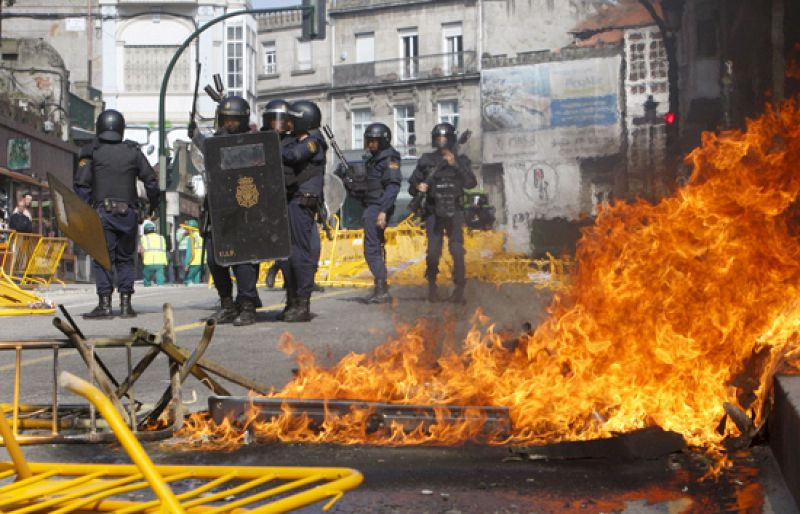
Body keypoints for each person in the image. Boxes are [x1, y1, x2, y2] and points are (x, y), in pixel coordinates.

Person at [74, 109, 159, 319]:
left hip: (103, 213)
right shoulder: (133, 151)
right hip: (128, 213)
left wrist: (86, 212)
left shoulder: (91, 151)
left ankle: (104, 304)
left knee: (103, 258)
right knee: (125, 260)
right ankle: (125, 305)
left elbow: (81, 186)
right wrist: (153, 205)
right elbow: (151, 181)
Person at [203, 95, 261, 326]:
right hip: (218, 210)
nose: (229, 124)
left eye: (234, 120)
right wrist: (196, 138)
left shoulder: (253, 142)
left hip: (245, 210)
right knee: (214, 260)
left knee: (244, 261)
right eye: (226, 119)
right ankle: (227, 303)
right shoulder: (213, 142)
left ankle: (246, 305)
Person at [408, 122, 477, 304]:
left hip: (455, 211)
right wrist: (418, 186)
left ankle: (459, 289)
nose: (441, 141)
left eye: (444, 138)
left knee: (457, 250)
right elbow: (412, 186)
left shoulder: (461, 161)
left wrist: (455, 164)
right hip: (433, 212)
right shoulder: (426, 160)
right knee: (432, 252)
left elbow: (471, 183)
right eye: (438, 138)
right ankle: (432, 287)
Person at [337, 123, 402, 303]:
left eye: (375, 141)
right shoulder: (375, 159)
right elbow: (368, 185)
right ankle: (380, 287)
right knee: (376, 248)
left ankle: (382, 289)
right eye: (369, 141)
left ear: (383, 141)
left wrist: (383, 211)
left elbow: (392, 187)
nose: (371, 144)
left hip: (378, 207)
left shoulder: (389, 159)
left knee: (371, 249)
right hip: (372, 205)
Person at [278, 100, 327, 322]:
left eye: (292, 119)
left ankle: (302, 303)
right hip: (290, 201)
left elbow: (293, 156)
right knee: (287, 256)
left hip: (302, 202)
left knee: (300, 253)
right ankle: (292, 300)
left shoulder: (314, 142)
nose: (287, 123)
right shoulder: (293, 140)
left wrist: (273, 145)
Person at [139, 221, 167, 286]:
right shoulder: (161, 238)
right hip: (160, 262)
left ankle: (147, 285)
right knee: (160, 279)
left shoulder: (144, 238)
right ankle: (160, 287)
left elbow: (142, 250)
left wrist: (143, 259)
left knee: (147, 278)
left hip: (148, 262)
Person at [183, 218, 204, 284]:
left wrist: (187, 264)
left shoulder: (192, 237)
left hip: (194, 262)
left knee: (188, 280)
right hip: (203, 261)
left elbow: (190, 252)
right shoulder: (201, 235)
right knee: (196, 280)